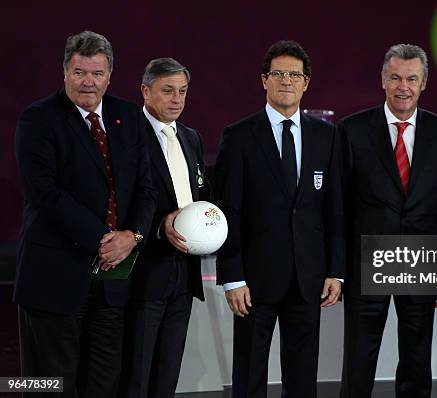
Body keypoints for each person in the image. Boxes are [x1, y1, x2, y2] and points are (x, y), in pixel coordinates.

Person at [13, 30, 156, 397]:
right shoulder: (38, 119)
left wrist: (133, 236)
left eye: (96, 73)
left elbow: (146, 187)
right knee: (49, 385)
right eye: (79, 72)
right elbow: (46, 195)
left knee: (104, 383)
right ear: (64, 72)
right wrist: (103, 239)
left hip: (113, 282)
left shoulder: (128, 116)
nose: (88, 82)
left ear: (110, 75)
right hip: (53, 277)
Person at [215, 40, 345, 398]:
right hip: (253, 282)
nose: (286, 80)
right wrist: (232, 277)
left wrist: (336, 269)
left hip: (309, 278)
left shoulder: (328, 137)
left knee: (303, 375)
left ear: (306, 83)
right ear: (264, 80)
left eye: (294, 74)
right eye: (278, 73)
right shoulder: (239, 136)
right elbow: (230, 213)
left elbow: (333, 210)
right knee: (250, 371)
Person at [338, 43, 437, 398]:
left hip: (421, 264)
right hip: (367, 262)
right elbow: (340, 206)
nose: (403, 86)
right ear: (383, 80)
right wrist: (339, 267)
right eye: (395, 78)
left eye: (411, 78)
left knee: (417, 361)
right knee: (359, 359)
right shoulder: (352, 130)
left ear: (424, 83)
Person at [119, 58, 210, 397]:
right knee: (136, 376)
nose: (176, 99)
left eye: (182, 92)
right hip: (143, 274)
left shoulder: (190, 137)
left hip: (184, 275)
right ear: (145, 91)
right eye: (167, 91)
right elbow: (122, 201)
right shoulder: (128, 136)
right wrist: (158, 226)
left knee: (167, 375)